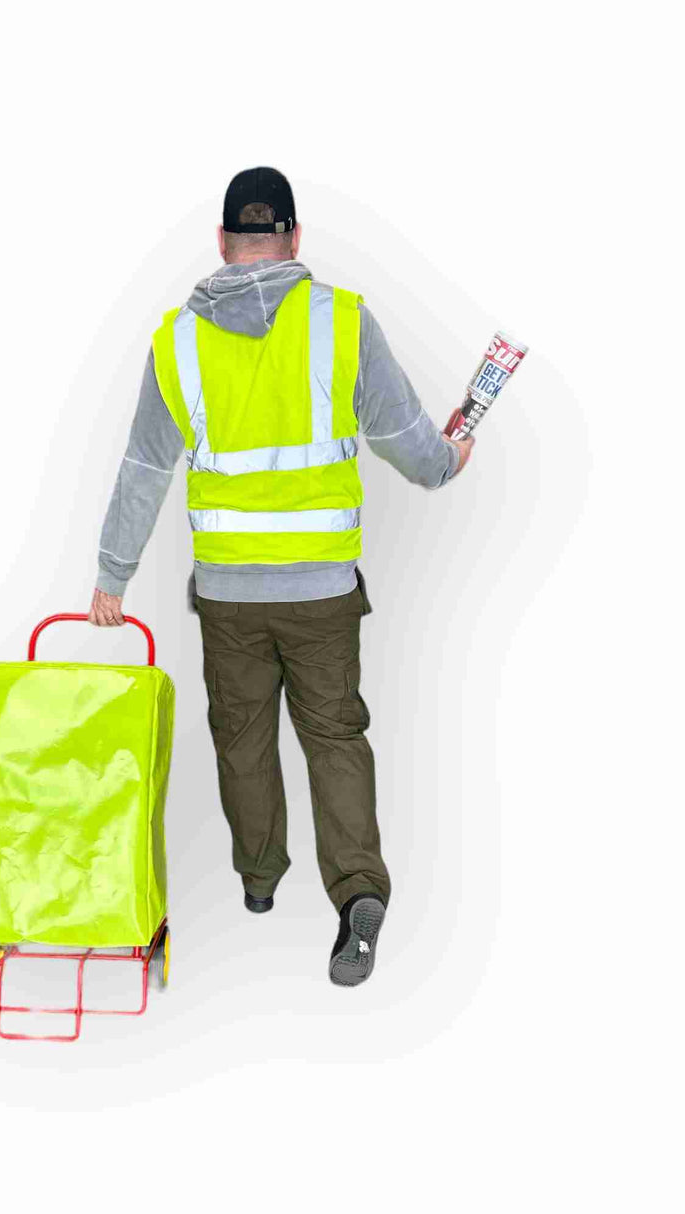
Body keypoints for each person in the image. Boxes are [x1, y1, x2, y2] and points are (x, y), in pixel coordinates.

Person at [88, 167, 473, 987]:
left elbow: (142, 470)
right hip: (323, 591)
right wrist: (448, 463)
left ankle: (260, 880)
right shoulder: (341, 321)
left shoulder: (178, 341)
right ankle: (358, 892)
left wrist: (112, 577)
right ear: (295, 239)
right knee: (335, 736)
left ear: (224, 244)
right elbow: (406, 439)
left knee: (243, 738)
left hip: (230, 592)